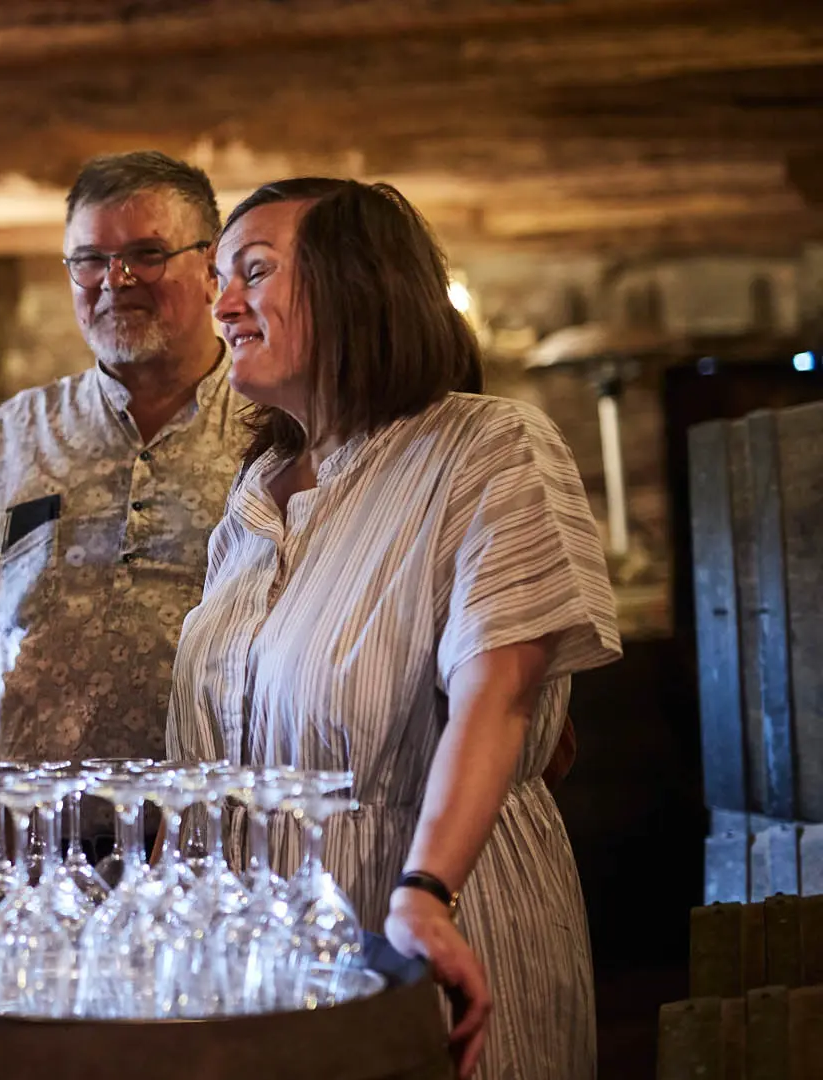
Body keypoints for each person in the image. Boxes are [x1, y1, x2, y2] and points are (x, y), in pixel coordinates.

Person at [166, 178, 620, 1079]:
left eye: (252, 272)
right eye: (219, 278)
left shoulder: (487, 446)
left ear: (358, 282)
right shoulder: (253, 502)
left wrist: (424, 891)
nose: (219, 307)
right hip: (262, 949)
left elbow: (500, 691)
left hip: (428, 912)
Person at [0, 151, 249, 765]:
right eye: (90, 260)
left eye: (147, 254)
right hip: (45, 834)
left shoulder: (272, 430)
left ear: (212, 268)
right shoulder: (18, 435)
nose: (114, 280)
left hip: (221, 826)